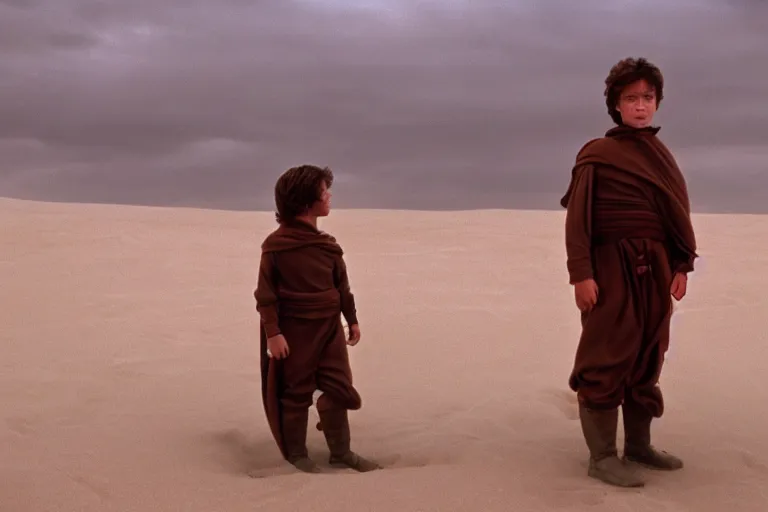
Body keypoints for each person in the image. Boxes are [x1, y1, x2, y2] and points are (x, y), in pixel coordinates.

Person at [560, 57, 698, 488]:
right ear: (616, 105)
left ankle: (638, 446)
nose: (641, 106)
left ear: (657, 103)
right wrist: (581, 274)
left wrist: (681, 263)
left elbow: (675, 212)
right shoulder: (597, 154)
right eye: (631, 99)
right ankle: (602, 456)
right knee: (608, 352)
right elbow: (578, 219)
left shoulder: (662, 155)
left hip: (655, 269)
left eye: (648, 98)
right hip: (610, 267)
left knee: (648, 353)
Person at [254, 164, 380, 473]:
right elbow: (265, 296)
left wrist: (352, 319)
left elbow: (342, 288)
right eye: (324, 192)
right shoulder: (276, 247)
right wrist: (273, 333)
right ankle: (298, 456)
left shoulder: (328, 247)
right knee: (295, 392)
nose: (330, 196)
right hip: (295, 331)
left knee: (338, 387)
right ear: (305, 201)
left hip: (329, 328)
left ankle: (341, 453)